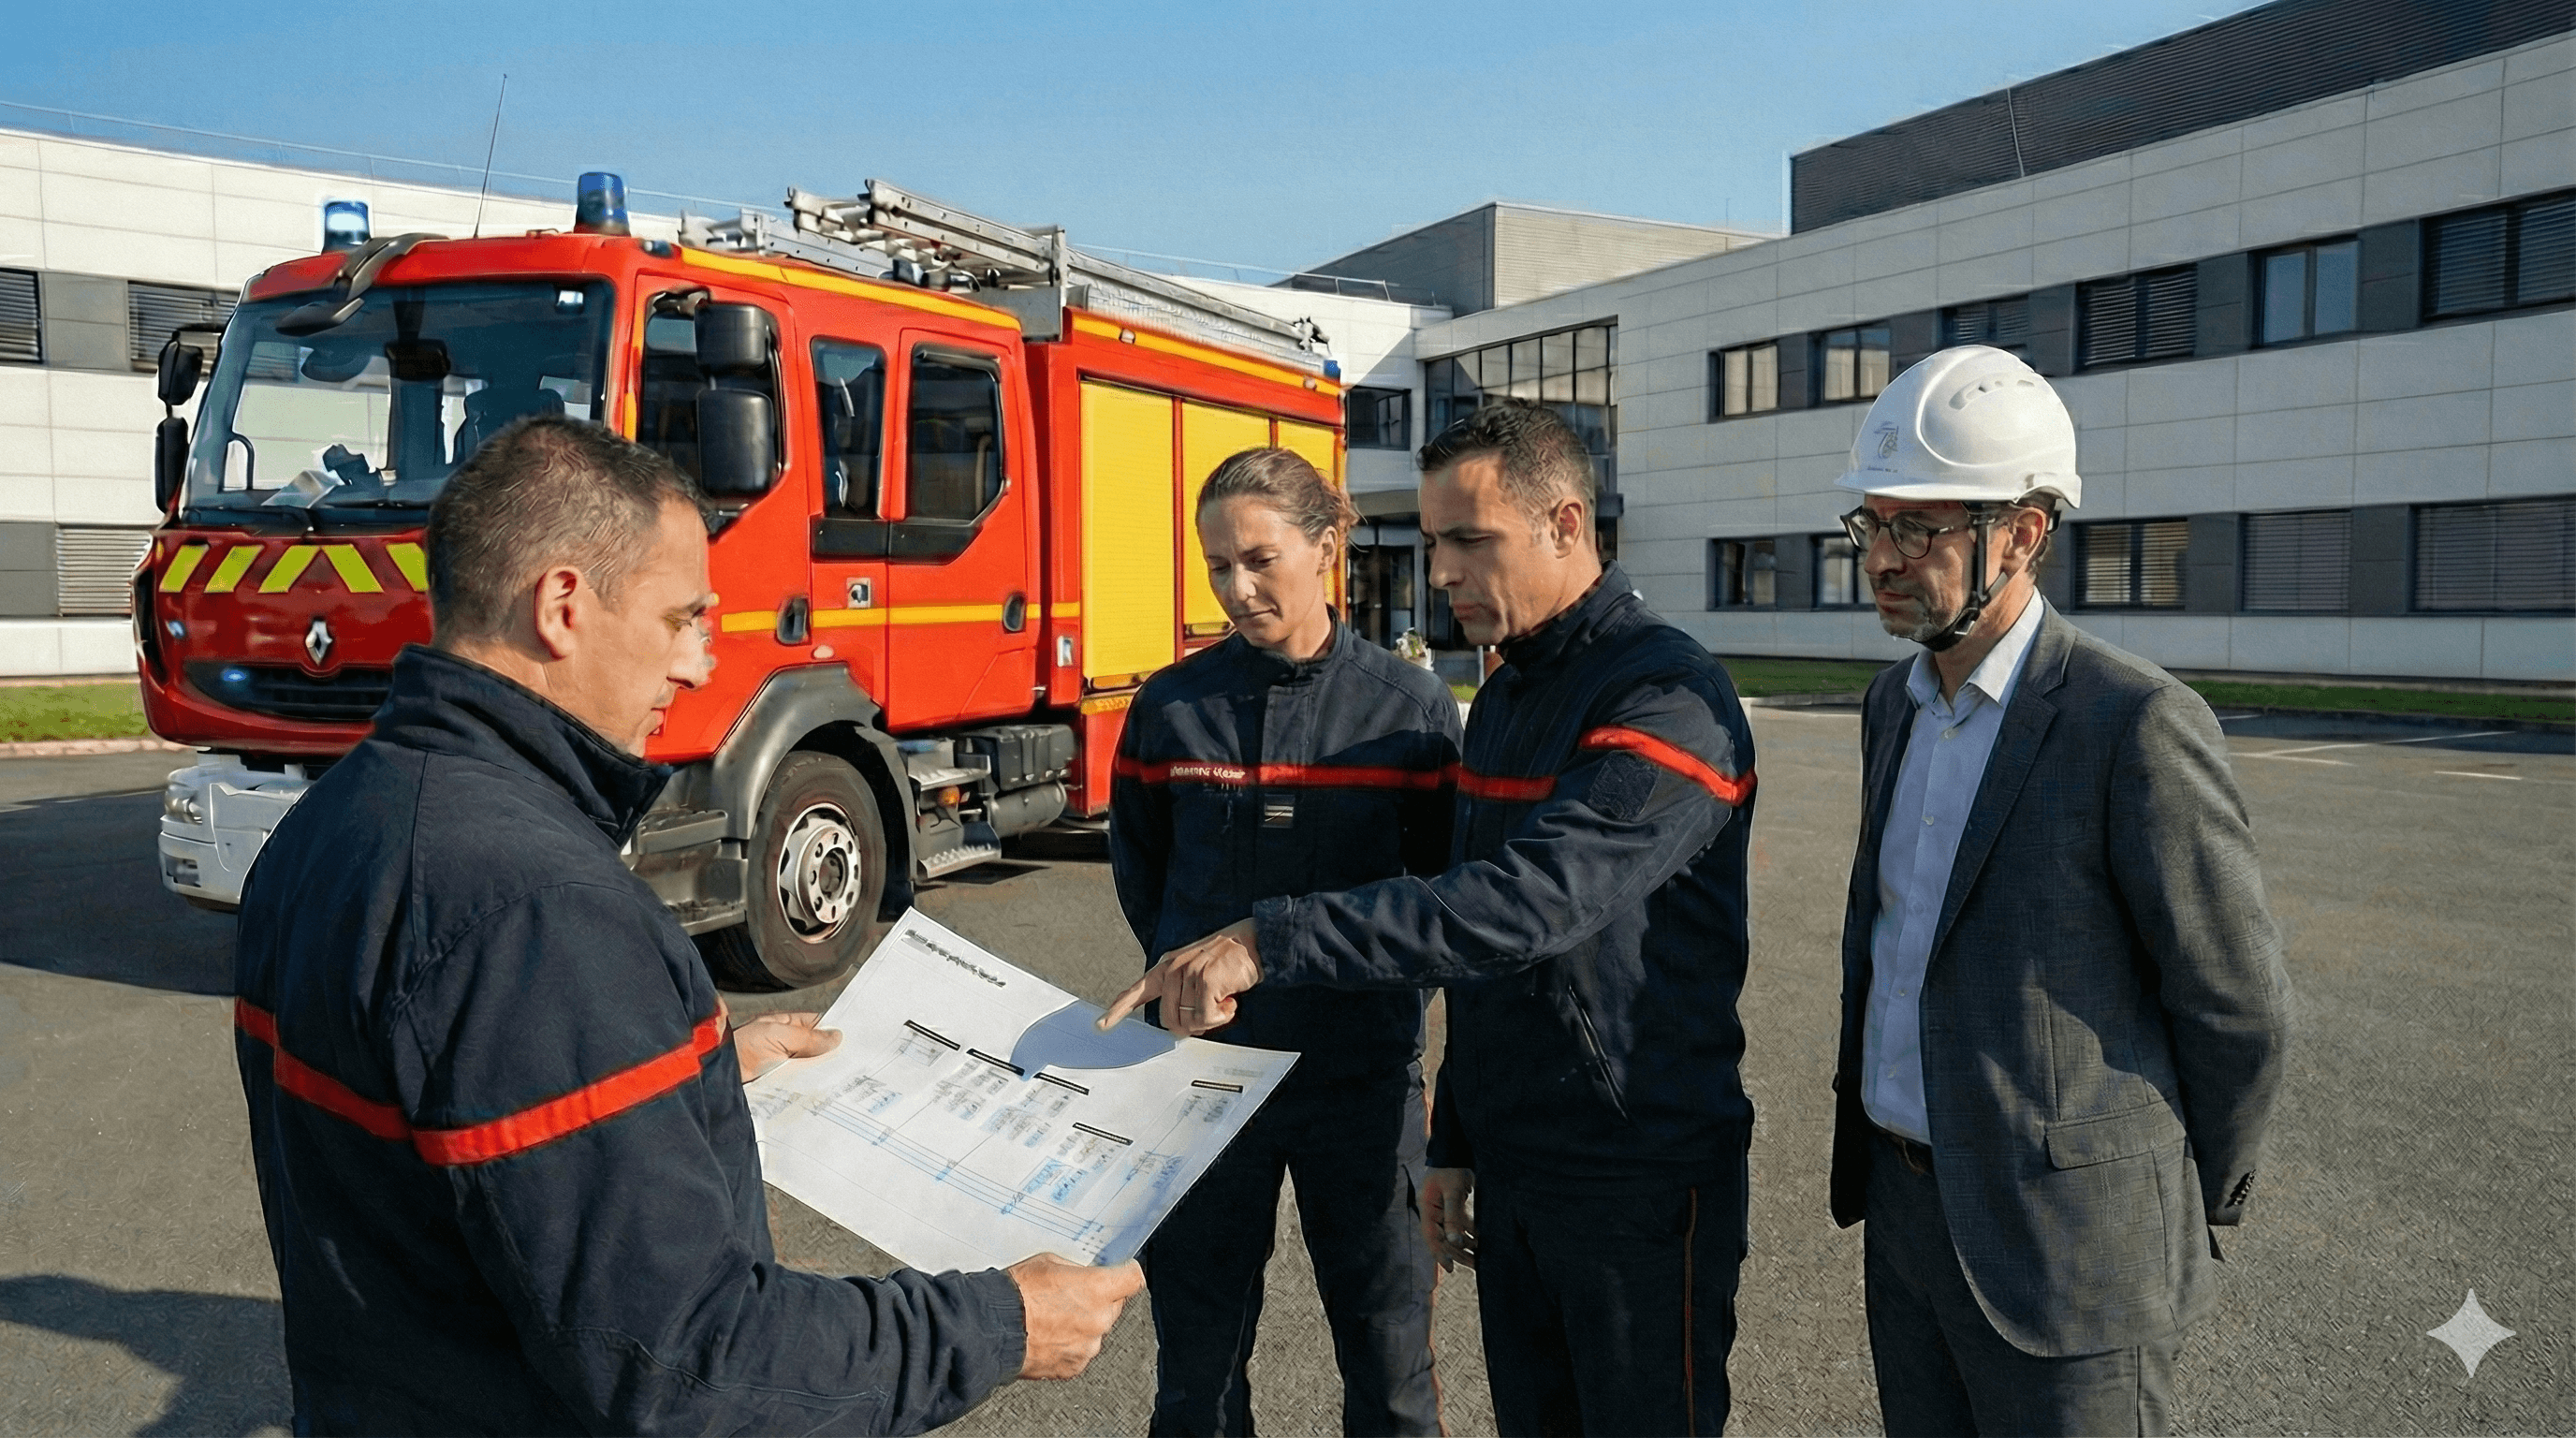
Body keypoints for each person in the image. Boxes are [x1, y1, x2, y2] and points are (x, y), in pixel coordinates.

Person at [230, 416, 1141, 1435]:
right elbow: (691, 1367)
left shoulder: (335, 821)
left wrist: (695, 1071)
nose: (698, 665)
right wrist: (998, 1325)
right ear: (563, 607)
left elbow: (448, 1110)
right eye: (679, 620)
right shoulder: (540, 912)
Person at [1104, 401, 1759, 1436]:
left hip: (1628, 1163)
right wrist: (1461, 1132)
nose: (1442, 571)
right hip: (1508, 1151)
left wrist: (1268, 939)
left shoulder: (1665, 696)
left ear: (1566, 525)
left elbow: (1521, 906)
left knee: (1416, 1373)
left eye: (1468, 541)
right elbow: (1472, 953)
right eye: (1437, 541)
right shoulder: (1505, 698)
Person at [1825, 345, 2293, 1435]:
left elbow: (2236, 1005)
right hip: (1906, 1219)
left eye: (1917, 529)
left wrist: (2165, 1193)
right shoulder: (1890, 707)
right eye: (1870, 525)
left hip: (2074, 1254)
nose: (1881, 559)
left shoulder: (2131, 722)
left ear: (2023, 533)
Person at [1109, 447, 1459, 1436]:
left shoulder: (1410, 714)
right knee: (1198, 1373)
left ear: (1326, 546)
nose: (1236, 588)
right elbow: (1145, 876)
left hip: (1362, 1086)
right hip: (1203, 1084)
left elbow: (1442, 902)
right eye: (1217, 565)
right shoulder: (1170, 709)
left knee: (1390, 1367)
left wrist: (1378, 1008)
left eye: (1259, 560)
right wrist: (1189, 981)